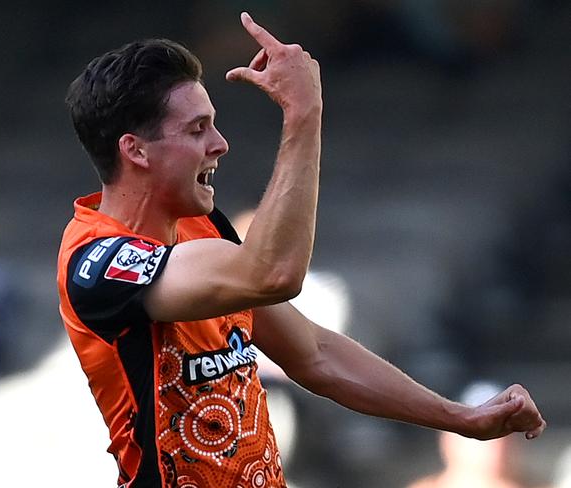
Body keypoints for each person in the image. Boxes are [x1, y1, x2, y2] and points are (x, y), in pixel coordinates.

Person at [57, 12, 546, 488]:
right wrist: (303, 114)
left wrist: (459, 417)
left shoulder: (201, 228)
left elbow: (314, 353)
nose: (220, 144)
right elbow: (272, 275)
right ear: (135, 150)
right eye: (196, 129)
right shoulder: (96, 262)